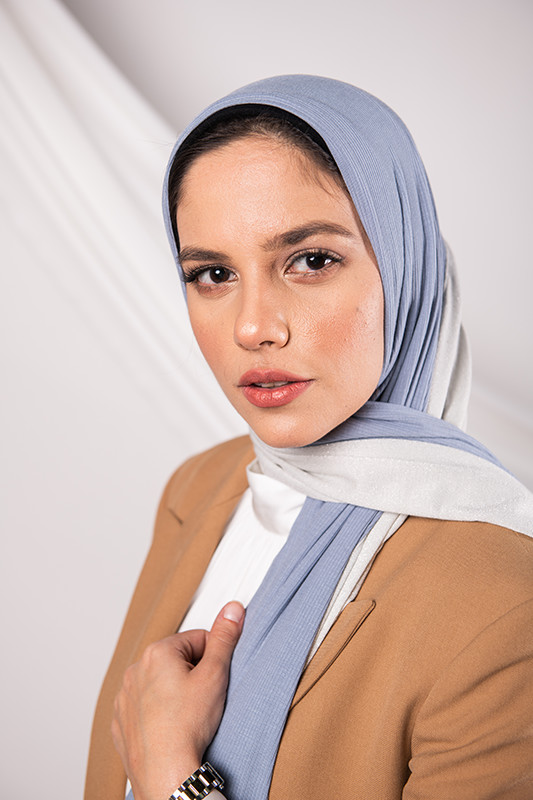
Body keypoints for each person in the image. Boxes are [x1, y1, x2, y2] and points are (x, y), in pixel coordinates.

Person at [84, 76, 533, 800]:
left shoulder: (507, 606)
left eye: (311, 260)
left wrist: (174, 778)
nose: (253, 326)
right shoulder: (199, 487)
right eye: (212, 273)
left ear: (405, 265)